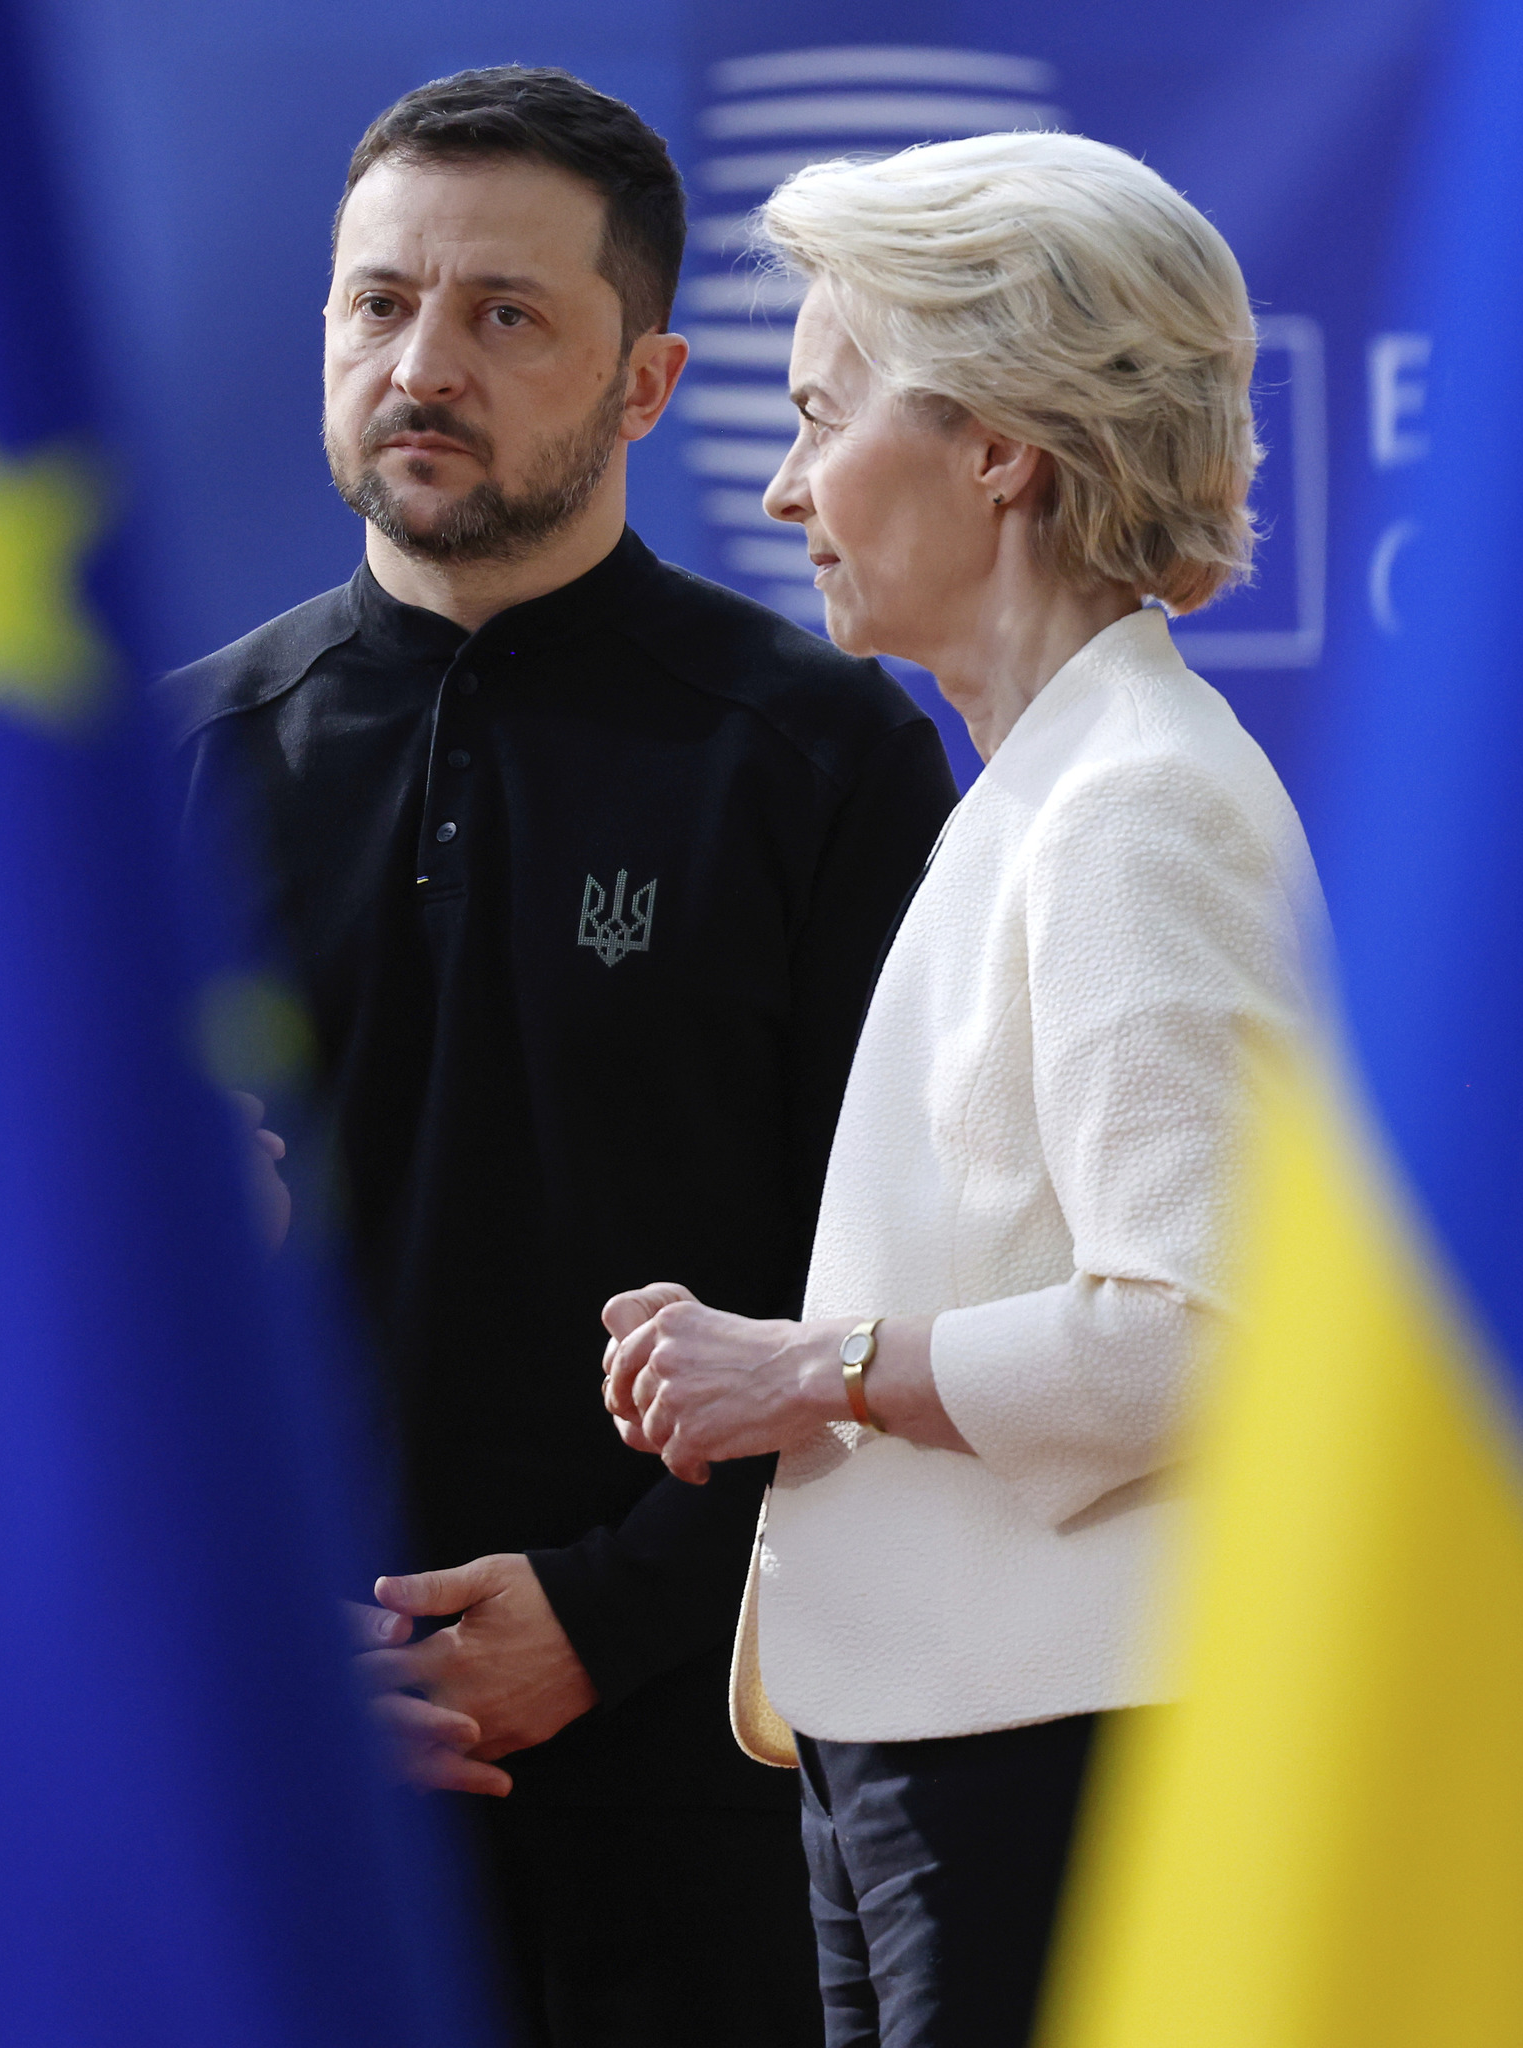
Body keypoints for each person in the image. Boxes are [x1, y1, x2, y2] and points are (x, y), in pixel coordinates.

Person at [168, 67, 961, 2048]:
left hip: (700, 1800)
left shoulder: (814, 756)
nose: (424, 361)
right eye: (379, 305)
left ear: (649, 376)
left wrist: (607, 1614)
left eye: (505, 314)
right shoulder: (167, 771)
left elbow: (900, 1281)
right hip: (267, 1778)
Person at [598, 132, 1324, 2047]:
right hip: (946, 1753)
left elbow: (1209, 1336)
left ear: (1000, 444)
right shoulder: (1051, 791)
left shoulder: (1133, 805)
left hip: (1051, 1763)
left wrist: (814, 1371)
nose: (779, 483)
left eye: (824, 411)